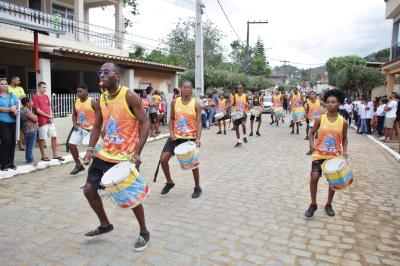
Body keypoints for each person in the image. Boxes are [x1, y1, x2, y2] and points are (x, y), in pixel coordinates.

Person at [82, 62, 151, 251]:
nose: (101, 75)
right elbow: (97, 126)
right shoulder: (102, 99)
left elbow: (144, 123)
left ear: (117, 77)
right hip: (104, 154)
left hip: (124, 158)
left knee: (132, 198)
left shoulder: (129, 96)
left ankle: (144, 232)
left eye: (106, 72)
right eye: (100, 72)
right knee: (89, 190)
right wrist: (90, 149)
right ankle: (105, 225)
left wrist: (137, 152)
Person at [305, 89, 348, 218]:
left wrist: (344, 151)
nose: (330, 104)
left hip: (334, 157)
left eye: (333, 102)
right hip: (319, 154)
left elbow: (345, 138)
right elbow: (311, 133)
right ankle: (313, 204)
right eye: (328, 102)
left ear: (339, 103)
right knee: (314, 178)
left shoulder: (343, 122)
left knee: (332, 183)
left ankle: (329, 204)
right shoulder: (320, 119)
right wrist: (312, 144)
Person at [159, 81, 202, 198]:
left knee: (193, 164)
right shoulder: (175, 102)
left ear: (192, 89)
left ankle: (197, 187)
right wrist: (171, 133)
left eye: (189, 87)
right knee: (163, 159)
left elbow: (199, 122)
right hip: (175, 137)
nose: (186, 89)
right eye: (184, 87)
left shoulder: (196, 104)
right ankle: (169, 182)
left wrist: (197, 139)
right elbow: (172, 119)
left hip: (190, 138)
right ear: (181, 88)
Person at [33, 82, 64, 162]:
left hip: (49, 120)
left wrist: (51, 116)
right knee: (42, 138)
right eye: (43, 87)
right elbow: (37, 110)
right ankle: (43, 155)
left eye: (45, 87)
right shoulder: (35, 97)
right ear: (39, 88)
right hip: (42, 120)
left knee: (54, 136)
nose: (45, 89)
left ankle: (55, 154)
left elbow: (49, 107)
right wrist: (48, 116)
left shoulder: (46, 96)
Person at [69, 84, 96, 175]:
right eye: (77, 91)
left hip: (91, 130)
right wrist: (75, 124)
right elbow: (74, 115)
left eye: (81, 91)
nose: (78, 93)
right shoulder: (76, 101)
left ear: (86, 92)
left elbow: (100, 116)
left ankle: (97, 168)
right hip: (80, 128)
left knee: (91, 154)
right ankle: (78, 165)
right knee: (71, 145)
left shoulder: (92, 102)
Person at [0, 78, 19, 171]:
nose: (4, 85)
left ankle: (10, 163)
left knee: (12, 142)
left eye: (5, 84)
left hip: (13, 121)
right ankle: (3, 164)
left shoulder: (12, 95)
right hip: (2, 121)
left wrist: (14, 108)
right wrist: (9, 110)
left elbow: (17, 103)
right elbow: (0, 108)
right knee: (6, 141)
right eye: (2, 84)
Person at [8, 76, 26, 151]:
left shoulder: (20, 88)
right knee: (8, 127)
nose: (19, 81)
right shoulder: (7, 87)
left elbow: (23, 96)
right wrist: (18, 97)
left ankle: (20, 144)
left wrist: (15, 97)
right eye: (18, 80)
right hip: (9, 109)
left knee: (20, 128)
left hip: (19, 109)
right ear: (12, 80)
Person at [20, 97, 38, 165]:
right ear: (27, 103)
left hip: (28, 130)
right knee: (30, 146)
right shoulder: (26, 111)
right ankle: (29, 160)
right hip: (30, 130)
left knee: (29, 146)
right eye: (31, 102)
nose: (33, 103)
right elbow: (35, 119)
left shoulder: (23, 110)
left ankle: (30, 158)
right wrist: (35, 116)